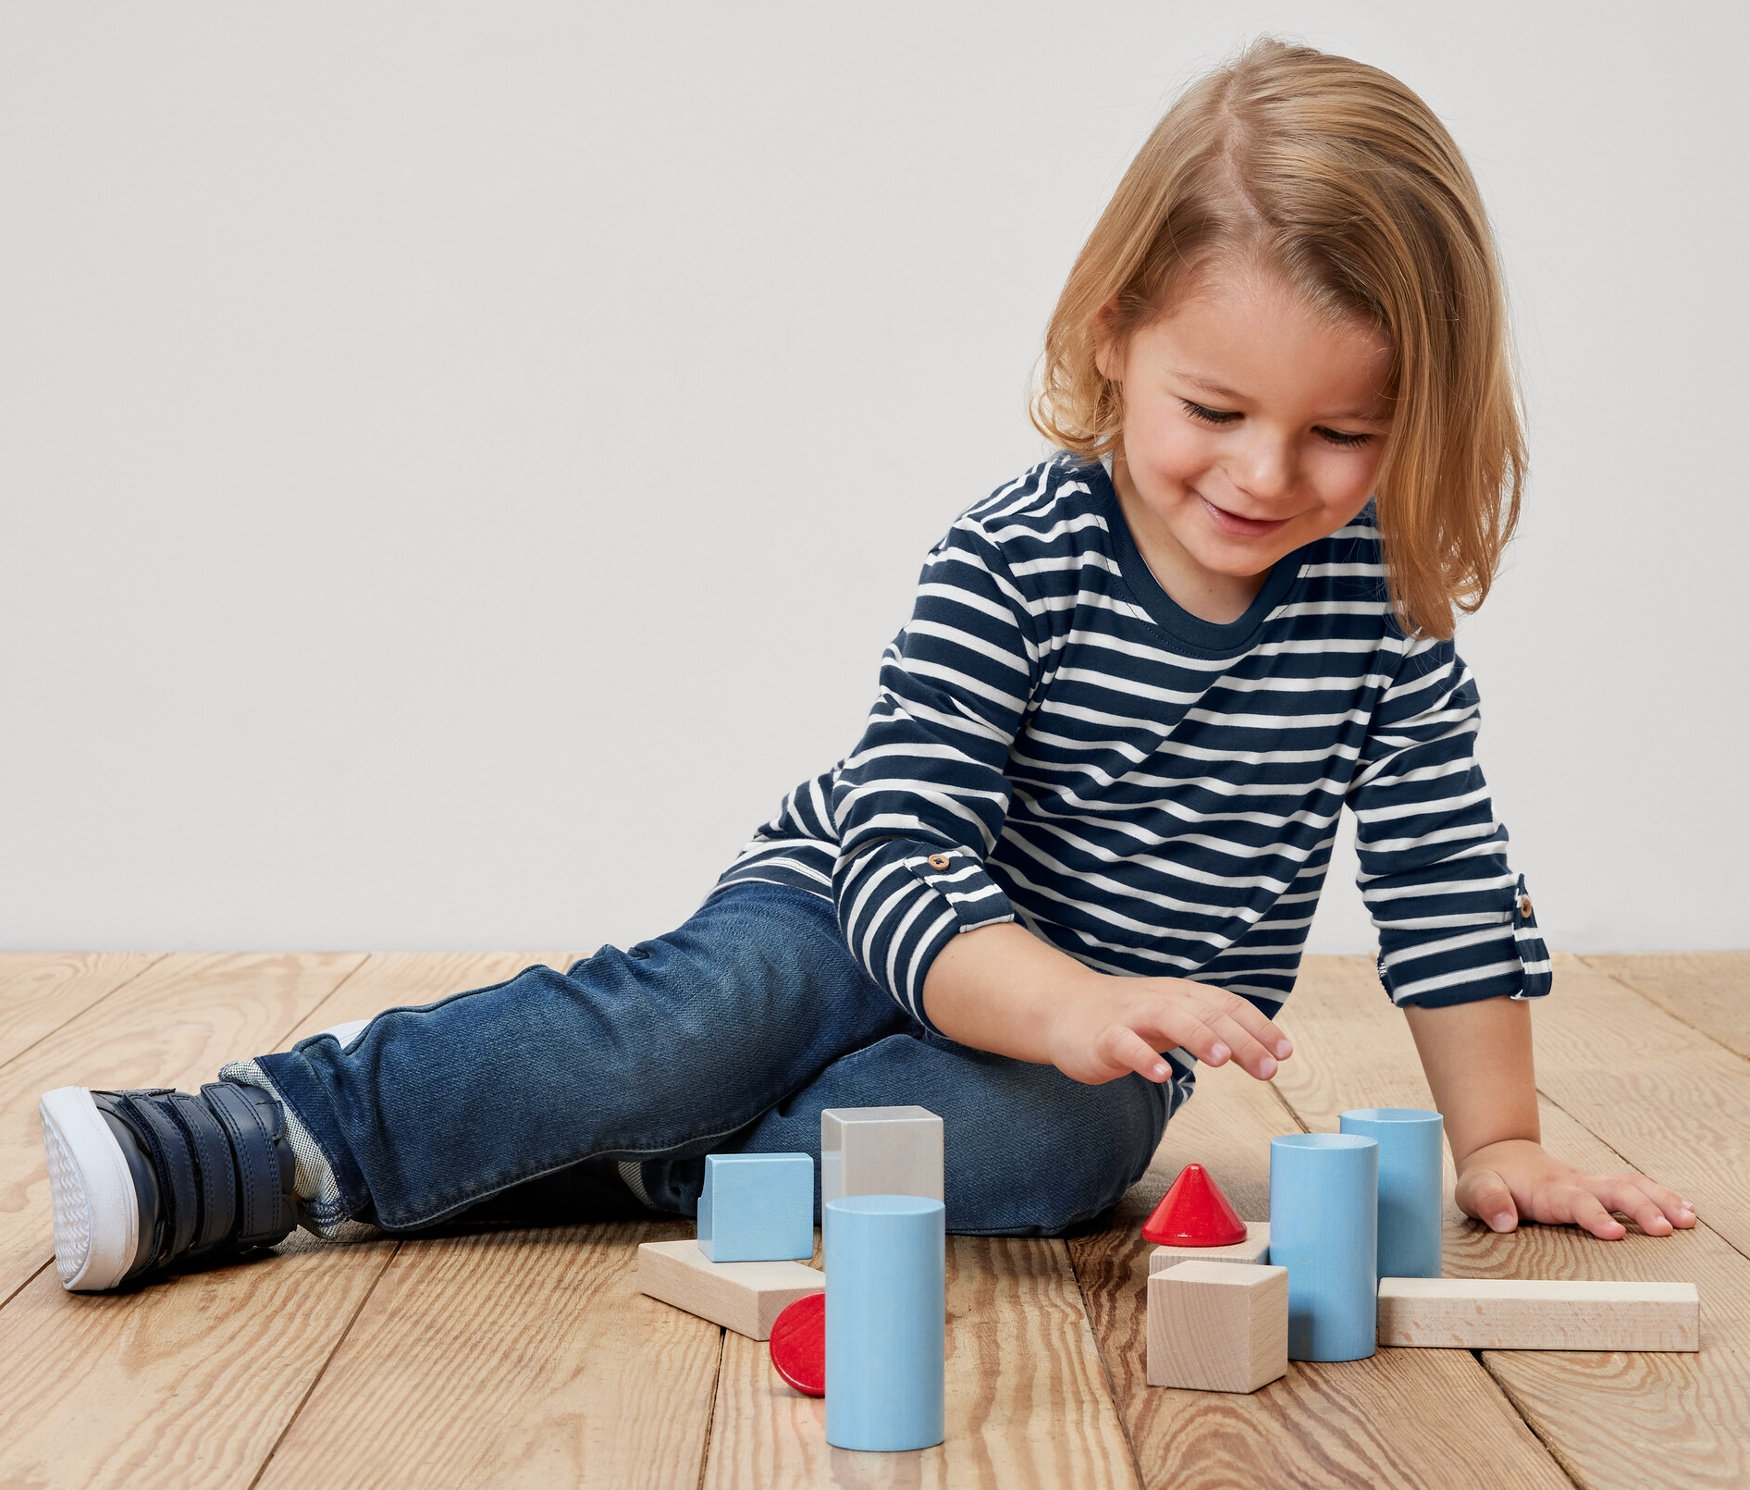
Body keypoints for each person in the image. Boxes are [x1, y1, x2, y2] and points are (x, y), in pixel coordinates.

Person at [38, 38, 1693, 1293]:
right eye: (1214, 410)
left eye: (1342, 433)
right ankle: (269, 1135)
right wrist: (1061, 990)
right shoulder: (1018, 552)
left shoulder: (1381, 615)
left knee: (1035, 1152)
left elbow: (1445, 876)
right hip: (856, 920)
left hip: (1087, 1048)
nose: (1266, 476)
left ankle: (678, 1173)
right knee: (698, 1019)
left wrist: (1498, 1140)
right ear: (1115, 331)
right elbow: (902, 856)